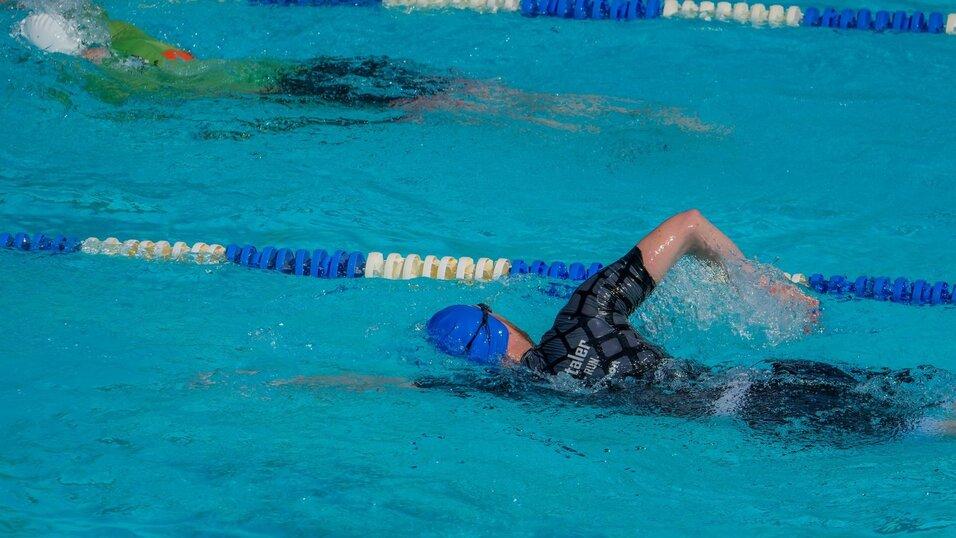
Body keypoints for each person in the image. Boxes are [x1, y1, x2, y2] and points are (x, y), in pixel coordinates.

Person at [424, 209, 955, 441]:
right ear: (500, 321)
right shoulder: (582, 321)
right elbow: (689, 224)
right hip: (763, 381)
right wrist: (757, 282)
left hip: (746, 415)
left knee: (922, 429)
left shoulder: (525, 393)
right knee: (921, 397)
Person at [12, 4, 717, 133]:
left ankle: (587, 124)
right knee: (468, 91)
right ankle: (615, 113)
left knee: (456, 103)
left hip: (299, 89)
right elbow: (94, 18)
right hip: (310, 67)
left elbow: (115, 95)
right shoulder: (129, 43)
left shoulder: (118, 77)